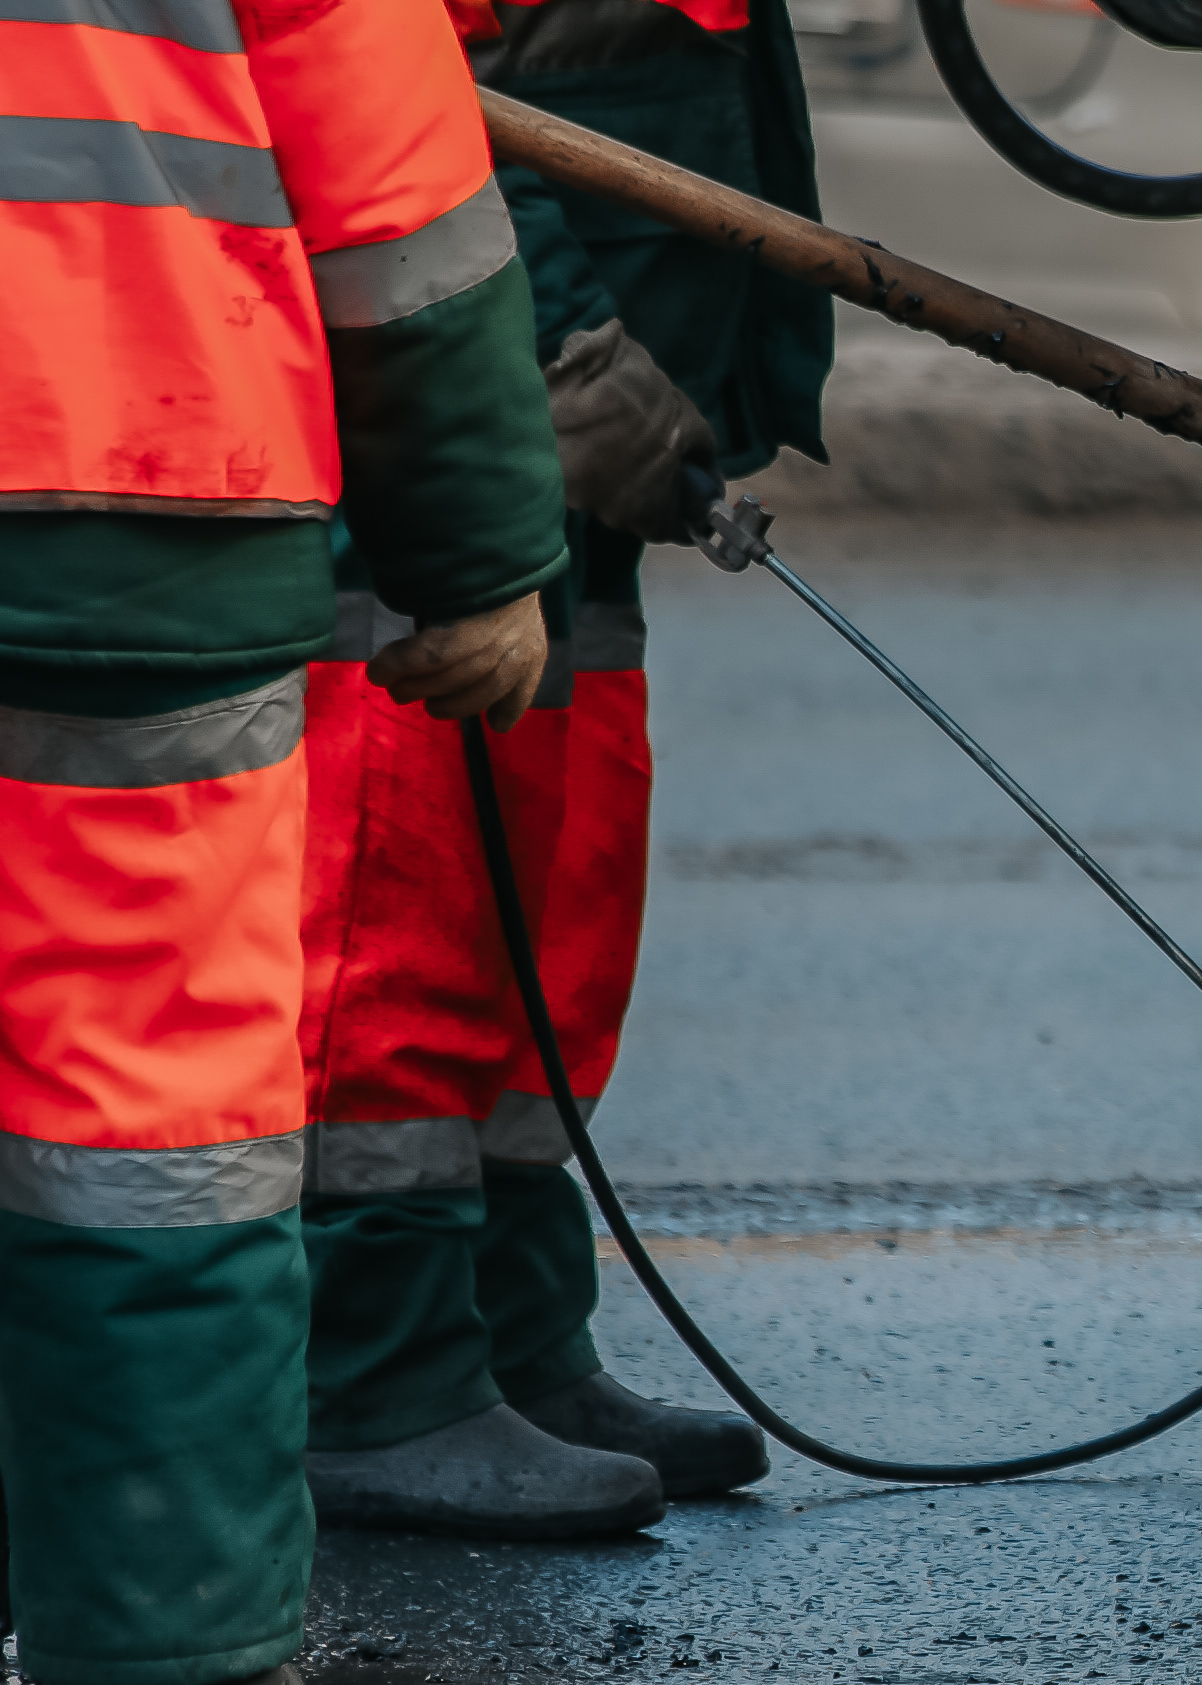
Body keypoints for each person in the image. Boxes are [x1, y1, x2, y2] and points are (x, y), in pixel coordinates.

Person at [0, 0, 568, 1685]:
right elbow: (398, 199)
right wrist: (474, 554)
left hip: (152, 503)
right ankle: (172, 1663)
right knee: (143, 1129)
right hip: (145, 499)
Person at [291, 0, 833, 1536]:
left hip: (598, 415)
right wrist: (556, 352)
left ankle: (514, 1336)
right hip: (455, 408)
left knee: (551, 901)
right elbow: (394, 98)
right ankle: (372, 1378)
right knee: (407, 882)